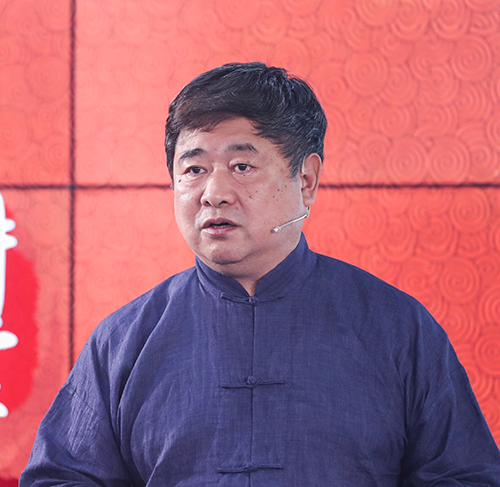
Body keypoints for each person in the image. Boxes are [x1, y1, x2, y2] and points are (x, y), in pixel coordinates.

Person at [21, 62, 500, 486]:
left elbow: (464, 476)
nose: (213, 193)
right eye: (194, 169)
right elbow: (61, 478)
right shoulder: (124, 340)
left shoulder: (397, 326)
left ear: (305, 180)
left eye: (242, 165)